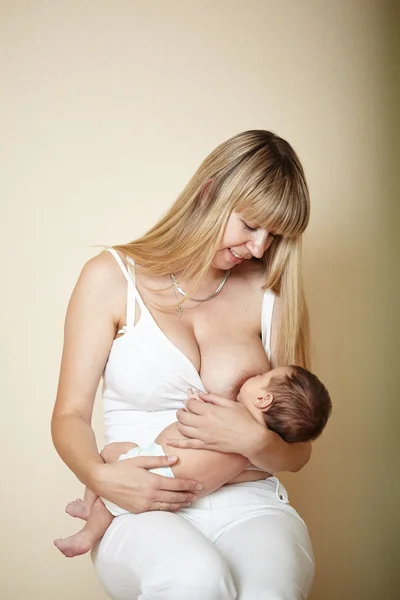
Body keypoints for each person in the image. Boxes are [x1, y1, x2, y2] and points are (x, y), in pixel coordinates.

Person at [52, 130, 316, 599]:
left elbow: (297, 450)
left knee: (268, 592)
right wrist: (98, 476)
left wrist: (253, 438)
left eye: (273, 236)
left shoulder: (271, 296)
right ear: (210, 193)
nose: (258, 248)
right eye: (250, 225)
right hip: (141, 505)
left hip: (251, 504)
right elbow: (69, 415)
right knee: (194, 578)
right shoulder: (111, 278)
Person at [53, 365, 332, 558]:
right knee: (115, 462)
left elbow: (194, 410)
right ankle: (91, 513)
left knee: (111, 463)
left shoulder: (235, 415)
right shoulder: (254, 455)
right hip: (176, 477)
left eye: (263, 375)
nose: (258, 374)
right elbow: (240, 473)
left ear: (263, 398)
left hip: (161, 465)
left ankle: (88, 530)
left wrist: (193, 399)